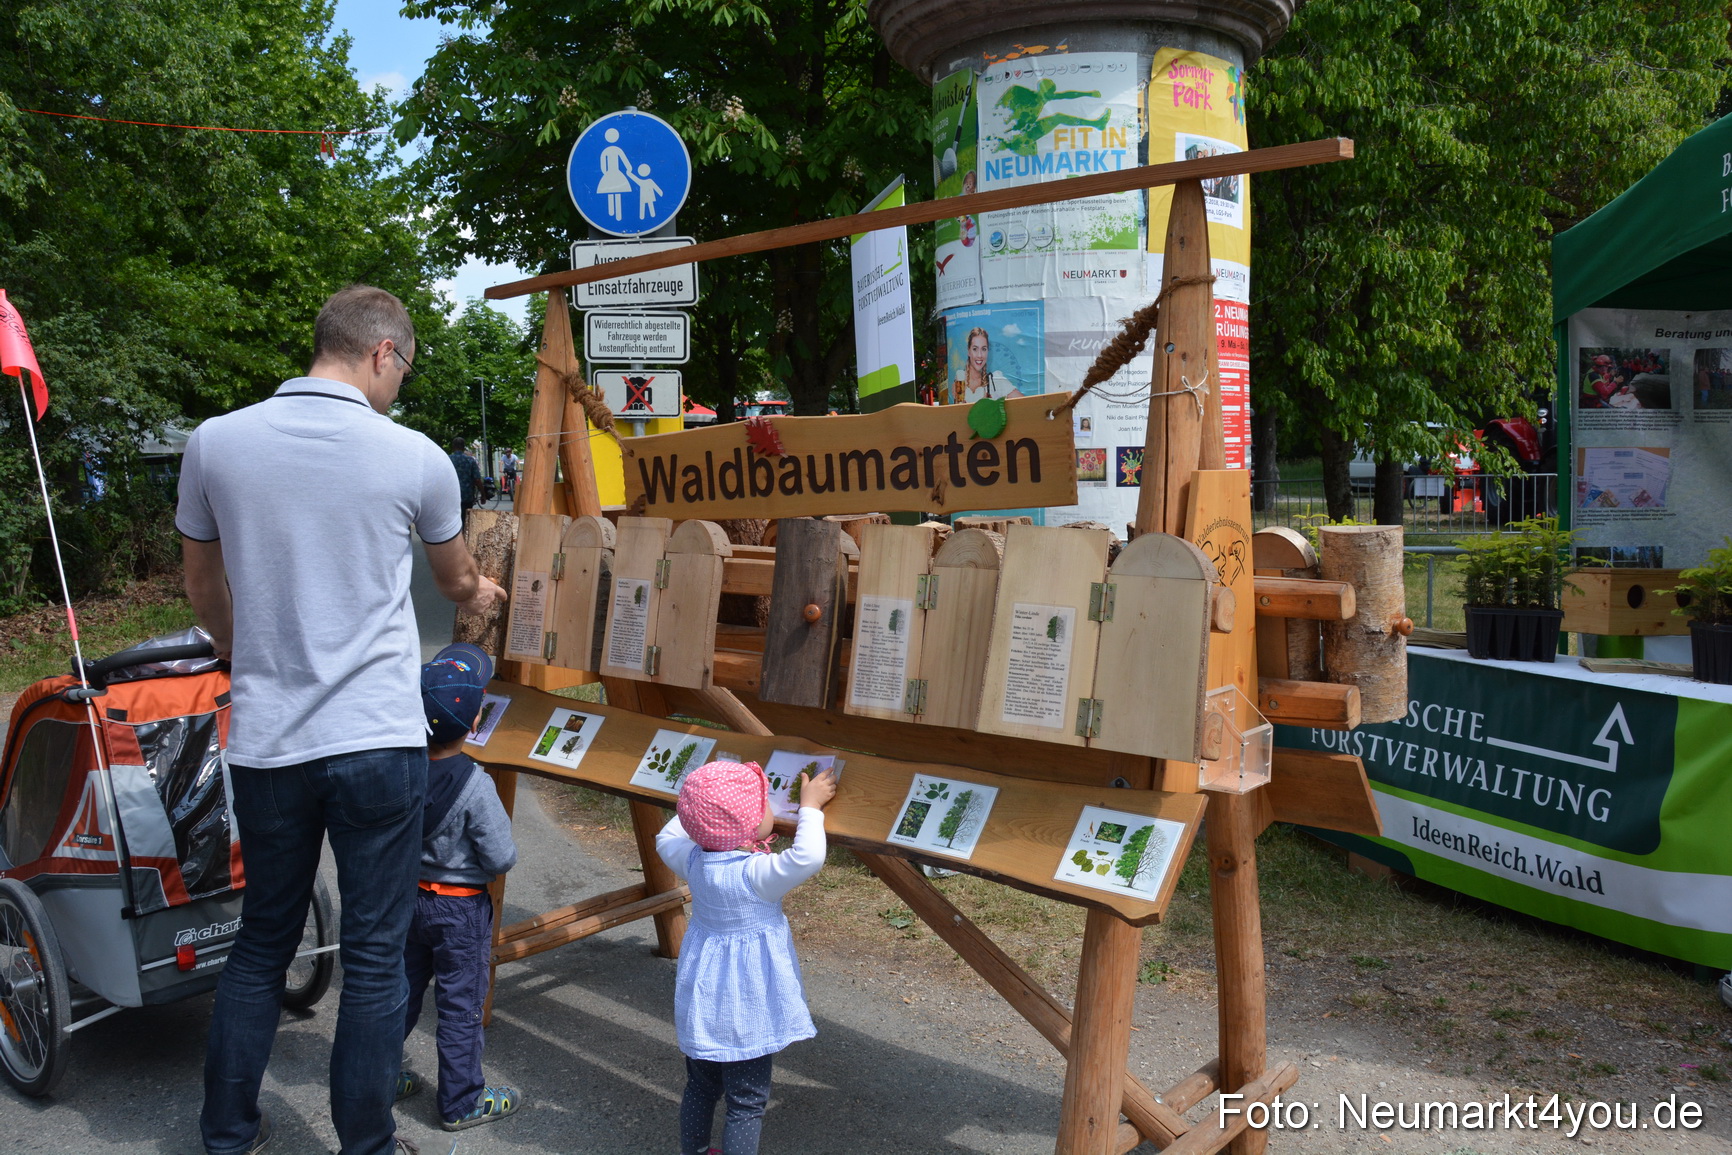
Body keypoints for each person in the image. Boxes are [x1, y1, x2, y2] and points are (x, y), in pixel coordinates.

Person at [178, 284, 506, 1155]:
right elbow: (452, 579)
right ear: (383, 354)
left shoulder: (216, 443)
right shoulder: (416, 458)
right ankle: (365, 1145)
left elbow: (202, 587)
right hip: (375, 740)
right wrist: (481, 591)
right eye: (405, 366)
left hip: (270, 740)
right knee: (372, 954)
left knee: (260, 943)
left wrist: (247, 649)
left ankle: (226, 1135)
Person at [655, 760, 839, 1155]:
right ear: (752, 824)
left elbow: (669, 833)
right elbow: (807, 857)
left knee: (701, 1088)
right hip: (747, 1013)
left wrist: (699, 801)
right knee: (746, 1103)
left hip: (704, 1003)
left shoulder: (690, 861)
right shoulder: (757, 875)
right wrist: (810, 807)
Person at [396, 643, 520, 1133]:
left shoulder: (400, 768)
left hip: (409, 902)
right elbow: (501, 856)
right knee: (460, 1005)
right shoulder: (474, 783)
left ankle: (381, 1076)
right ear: (474, 725)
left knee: (400, 992)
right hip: (460, 911)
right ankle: (462, 1099)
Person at [953, 326, 1020, 404]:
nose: (980, 355)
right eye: (975, 349)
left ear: (988, 351)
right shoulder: (959, 378)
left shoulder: (996, 381)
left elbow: (1025, 403)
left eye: (984, 349)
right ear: (969, 351)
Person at [449, 437, 481, 517]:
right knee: (466, 520)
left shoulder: (447, 459)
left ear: (453, 447)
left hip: (451, 497)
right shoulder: (470, 460)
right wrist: (483, 495)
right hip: (467, 496)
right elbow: (477, 479)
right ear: (463, 447)